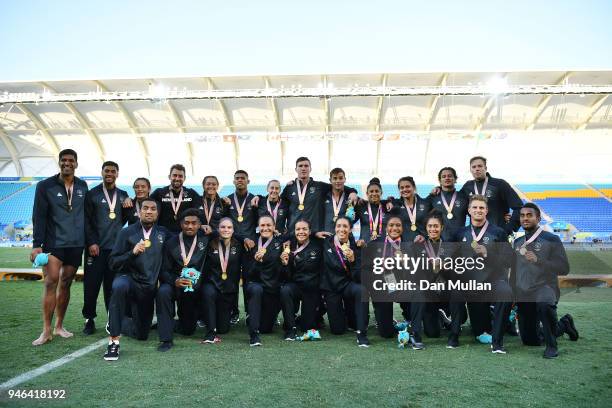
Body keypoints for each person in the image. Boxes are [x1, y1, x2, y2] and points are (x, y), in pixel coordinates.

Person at [30, 148, 89, 346]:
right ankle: (46, 330)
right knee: (51, 282)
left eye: (71, 160)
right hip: (53, 243)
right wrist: (36, 245)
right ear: (59, 163)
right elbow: (39, 216)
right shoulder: (45, 186)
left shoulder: (82, 185)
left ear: (76, 163)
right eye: (63, 160)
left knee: (66, 283)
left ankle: (59, 326)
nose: (67, 163)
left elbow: (85, 215)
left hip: (75, 243)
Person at [104, 198, 169, 361]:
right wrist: (131, 253)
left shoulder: (163, 233)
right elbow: (113, 262)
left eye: (152, 209)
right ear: (139, 212)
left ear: (157, 213)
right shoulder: (126, 232)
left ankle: (117, 321)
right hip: (129, 280)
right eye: (145, 208)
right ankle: (113, 342)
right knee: (119, 286)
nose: (148, 211)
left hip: (148, 288)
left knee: (141, 335)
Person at [447, 194, 513, 353]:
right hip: (469, 282)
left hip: (492, 282)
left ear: (487, 210)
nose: (478, 210)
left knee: (506, 292)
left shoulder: (498, 232)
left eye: (481, 207)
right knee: (455, 291)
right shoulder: (459, 233)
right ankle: (453, 335)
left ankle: (497, 342)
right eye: (475, 207)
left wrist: (488, 253)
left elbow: (509, 260)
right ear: (469, 210)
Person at [511, 203, 579, 358]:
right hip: (524, 292)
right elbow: (515, 270)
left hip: (545, 288)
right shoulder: (517, 242)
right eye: (522, 215)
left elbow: (564, 268)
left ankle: (551, 346)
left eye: (529, 215)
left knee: (544, 303)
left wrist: (538, 260)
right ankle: (564, 324)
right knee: (530, 341)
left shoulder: (552, 239)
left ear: (538, 218)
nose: (525, 218)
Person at [82, 161, 131, 335]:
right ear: (102, 172)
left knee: (112, 287)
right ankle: (89, 319)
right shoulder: (92, 194)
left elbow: (125, 219)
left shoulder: (124, 195)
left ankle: (112, 319)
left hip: (115, 251)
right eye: (107, 170)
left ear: (117, 174)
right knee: (91, 286)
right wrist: (91, 242)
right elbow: (86, 221)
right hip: (95, 249)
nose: (109, 173)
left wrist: (128, 204)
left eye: (113, 171)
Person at [156, 209, 210, 352]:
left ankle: (171, 323)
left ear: (200, 225)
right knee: (163, 291)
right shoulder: (170, 243)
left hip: (192, 290)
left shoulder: (206, 238)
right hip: (175, 285)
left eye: (194, 223)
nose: (190, 226)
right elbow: (163, 271)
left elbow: (226, 233)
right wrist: (175, 280)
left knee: (188, 330)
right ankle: (166, 339)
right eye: (186, 223)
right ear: (180, 224)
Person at [275, 157, 357, 237]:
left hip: (314, 234)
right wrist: (280, 230)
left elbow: (336, 185)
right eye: (300, 166)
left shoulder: (319, 186)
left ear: (310, 169)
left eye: (306, 166)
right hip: (294, 233)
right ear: (296, 169)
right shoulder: (289, 188)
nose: (303, 168)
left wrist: (352, 191)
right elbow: (282, 210)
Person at [320, 217, 369, 347]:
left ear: (350, 229)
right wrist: (314, 233)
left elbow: (359, 277)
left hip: (348, 286)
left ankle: (361, 333)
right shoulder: (325, 243)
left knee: (361, 290)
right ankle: (333, 310)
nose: (342, 229)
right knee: (337, 330)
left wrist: (352, 261)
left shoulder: (356, 246)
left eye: (345, 226)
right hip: (331, 288)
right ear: (335, 228)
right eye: (339, 226)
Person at [201, 218, 246, 344]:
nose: (226, 230)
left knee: (223, 329)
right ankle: (210, 332)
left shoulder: (239, 244)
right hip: (212, 285)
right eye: (223, 227)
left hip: (228, 290)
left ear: (233, 230)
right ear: (218, 229)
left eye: (229, 227)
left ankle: (213, 321)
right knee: (207, 292)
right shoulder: (210, 242)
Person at [222, 169, 257, 324]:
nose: (240, 180)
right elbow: (223, 225)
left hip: (250, 247)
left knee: (249, 280)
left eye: (243, 178)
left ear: (248, 181)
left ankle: (250, 312)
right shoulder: (227, 200)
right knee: (232, 280)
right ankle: (233, 312)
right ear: (233, 181)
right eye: (237, 178)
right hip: (233, 245)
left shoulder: (256, 200)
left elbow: (259, 222)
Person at [243, 215, 284, 346]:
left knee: (266, 328)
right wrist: (256, 261)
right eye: (262, 225)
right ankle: (253, 335)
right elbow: (249, 273)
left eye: (268, 225)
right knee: (256, 289)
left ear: (274, 227)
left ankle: (256, 318)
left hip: (272, 288)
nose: (265, 228)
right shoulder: (251, 243)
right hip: (255, 285)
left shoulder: (281, 242)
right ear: (258, 227)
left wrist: (284, 263)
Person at [280, 219, 322, 340]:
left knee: (307, 327)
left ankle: (302, 318)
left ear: (310, 231)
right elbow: (286, 275)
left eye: (304, 229)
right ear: (294, 231)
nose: (301, 232)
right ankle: (290, 328)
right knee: (285, 290)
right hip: (295, 286)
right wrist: (285, 263)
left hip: (311, 289)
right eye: (298, 229)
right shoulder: (289, 246)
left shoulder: (318, 246)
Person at [150, 164, 201, 234]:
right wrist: (129, 199)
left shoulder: (191, 193)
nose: (177, 178)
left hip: (184, 234)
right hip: (163, 234)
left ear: (184, 178)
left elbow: (200, 211)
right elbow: (145, 202)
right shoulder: (159, 192)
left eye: (180, 176)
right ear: (169, 177)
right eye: (174, 175)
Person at [426, 167, 469, 241]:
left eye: (450, 176)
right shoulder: (433, 197)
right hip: (440, 241)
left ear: (455, 179)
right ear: (440, 180)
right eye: (444, 176)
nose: (447, 178)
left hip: (459, 241)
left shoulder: (464, 197)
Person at [389, 176, 432, 242]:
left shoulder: (426, 203)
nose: (405, 189)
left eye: (407, 186)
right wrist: (387, 202)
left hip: (423, 244)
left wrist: (425, 236)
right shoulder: (395, 204)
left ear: (414, 187)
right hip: (403, 245)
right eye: (402, 188)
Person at [355, 178, 391, 247]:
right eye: (371, 191)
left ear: (381, 193)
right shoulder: (361, 206)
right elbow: (349, 222)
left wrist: (390, 200)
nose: (374, 194)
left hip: (383, 248)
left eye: (377, 191)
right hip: (365, 246)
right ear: (367, 193)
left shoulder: (387, 207)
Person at [321, 168, 358, 234]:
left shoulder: (351, 197)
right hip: (326, 238)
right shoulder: (323, 196)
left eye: (340, 178)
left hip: (345, 238)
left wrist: (350, 223)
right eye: (335, 178)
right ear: (330, 180)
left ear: (345, 179)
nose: (338, 181)